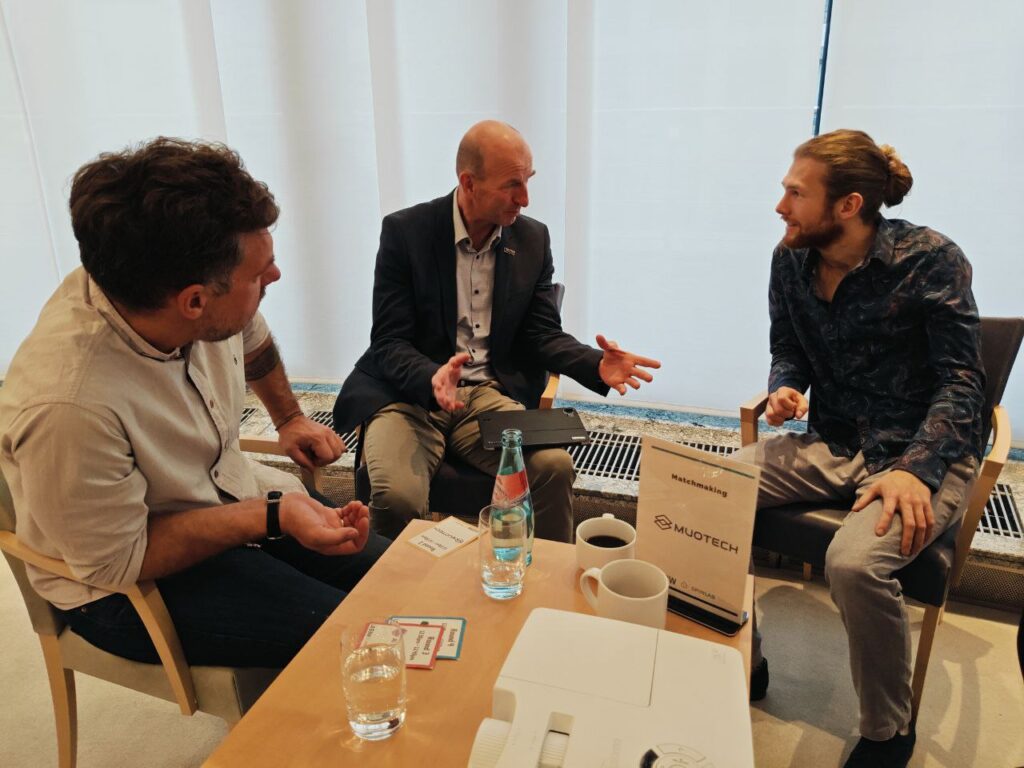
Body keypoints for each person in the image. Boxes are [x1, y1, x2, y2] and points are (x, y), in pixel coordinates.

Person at [0, 138, 389, 668]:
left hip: (224, 496)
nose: (274, 277)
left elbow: (251, 335)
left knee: (402, 580)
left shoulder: (171, 286)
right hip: (126, 584)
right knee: (361, 640)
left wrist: (290, 418)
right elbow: (117, 560)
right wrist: (269, 516)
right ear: (194, 302)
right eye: (259, 274)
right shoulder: (69, 407)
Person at [735, 129, 984, 768]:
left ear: (847, 205)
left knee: (852, 564)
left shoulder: (932, 260)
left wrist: (917, 471)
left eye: (796, 193)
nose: (781, 206)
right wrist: (786, 385)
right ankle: (742, 658)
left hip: (923, 452)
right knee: (707, 493)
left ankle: (887, 732)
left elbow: (962, 383)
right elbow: (787, 346)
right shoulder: (789, 259)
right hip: (836, 439)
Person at [333, 120, 660, 541]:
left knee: (554, 468)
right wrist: (432, 377)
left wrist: (595, 364)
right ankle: (396, 582)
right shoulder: (406, 232)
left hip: (485, 396)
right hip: (408, 396)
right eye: (512, 185)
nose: (525, 198)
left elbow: (541, 334)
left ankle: (544, 578)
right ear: (468, 183)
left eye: (528, 181)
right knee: (397, 497)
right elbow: (389, 341)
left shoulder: (532, 239)